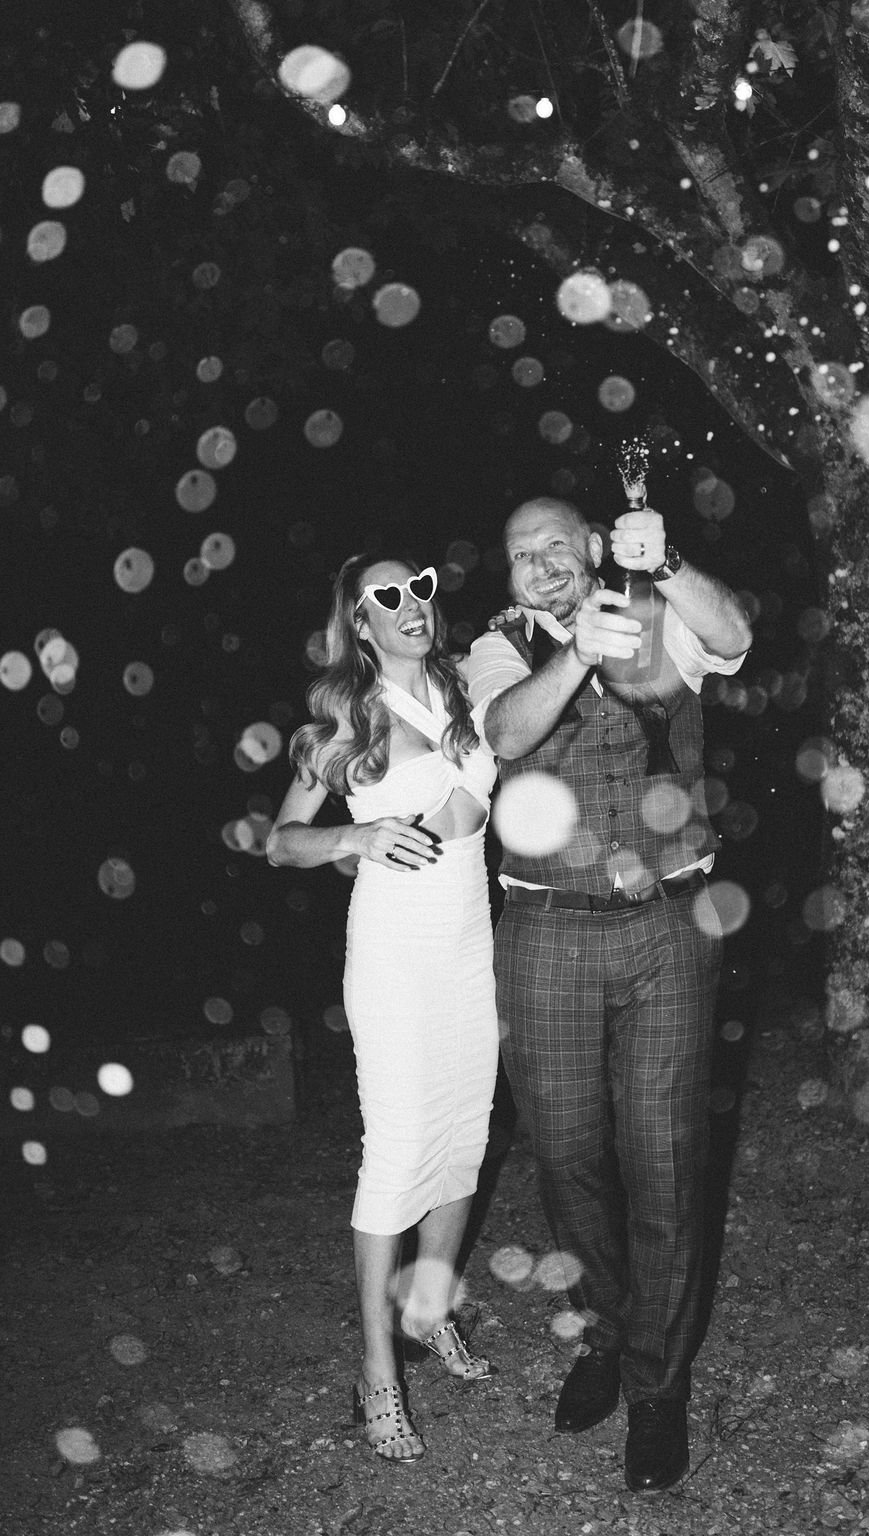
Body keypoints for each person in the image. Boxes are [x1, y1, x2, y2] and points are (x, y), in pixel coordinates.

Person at [465, 496, 752, 1494]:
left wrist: (666, 563)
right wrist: (575, 653)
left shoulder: (659, 606)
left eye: (554, 545)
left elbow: (734, 635)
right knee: (568, 1157)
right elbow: (504, 732)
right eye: (518, 553)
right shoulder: (499, 648)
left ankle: (657, 1387)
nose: (538, 563)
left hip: (671, 925)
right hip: (545, 930)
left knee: (667, 1164)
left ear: (594, 546)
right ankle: (602, 1336)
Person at [267, 554, 499, 1467]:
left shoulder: (464, 693)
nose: (413, 606)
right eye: (388, 598)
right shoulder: (345, 717)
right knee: (399, 1151)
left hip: (468, 947)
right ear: (359, 624)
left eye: (422, 589)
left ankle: (429, 1310)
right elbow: (281, 843)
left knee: (465, 1141)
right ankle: (377, 1372)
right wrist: (353, 835)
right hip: (395, 960)